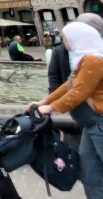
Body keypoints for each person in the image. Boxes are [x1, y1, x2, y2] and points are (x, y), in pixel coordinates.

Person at [28, 21, 103, 199]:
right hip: (92, 126)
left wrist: (51, 107)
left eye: (65, 38)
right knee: (89, 172)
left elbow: (79, 92)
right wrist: (44, 101)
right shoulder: (84, 59)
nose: (64, 42)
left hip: (99, 123)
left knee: (92, 171)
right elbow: (68, 85)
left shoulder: (93, 60)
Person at [48, 14, 103, 92]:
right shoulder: (59, 51)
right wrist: (51, 99)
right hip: (71, 97)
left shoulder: (95, 54)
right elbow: (54, 77)